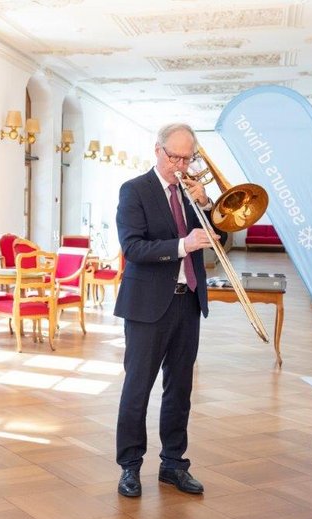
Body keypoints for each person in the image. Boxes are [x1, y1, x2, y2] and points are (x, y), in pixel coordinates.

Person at [113, 123, 223, 498]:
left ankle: (173, 464)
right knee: (137, 389)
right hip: (147, 305)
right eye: (174, 156)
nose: (180, 165)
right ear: (157, 150)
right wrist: (182, 245)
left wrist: (206, 205)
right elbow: (133, 248)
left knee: (180, 389)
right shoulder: (134, 190)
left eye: (187, 158)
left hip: (187, 300)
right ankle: (130, 467)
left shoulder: (192, 193)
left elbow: (220, 237)